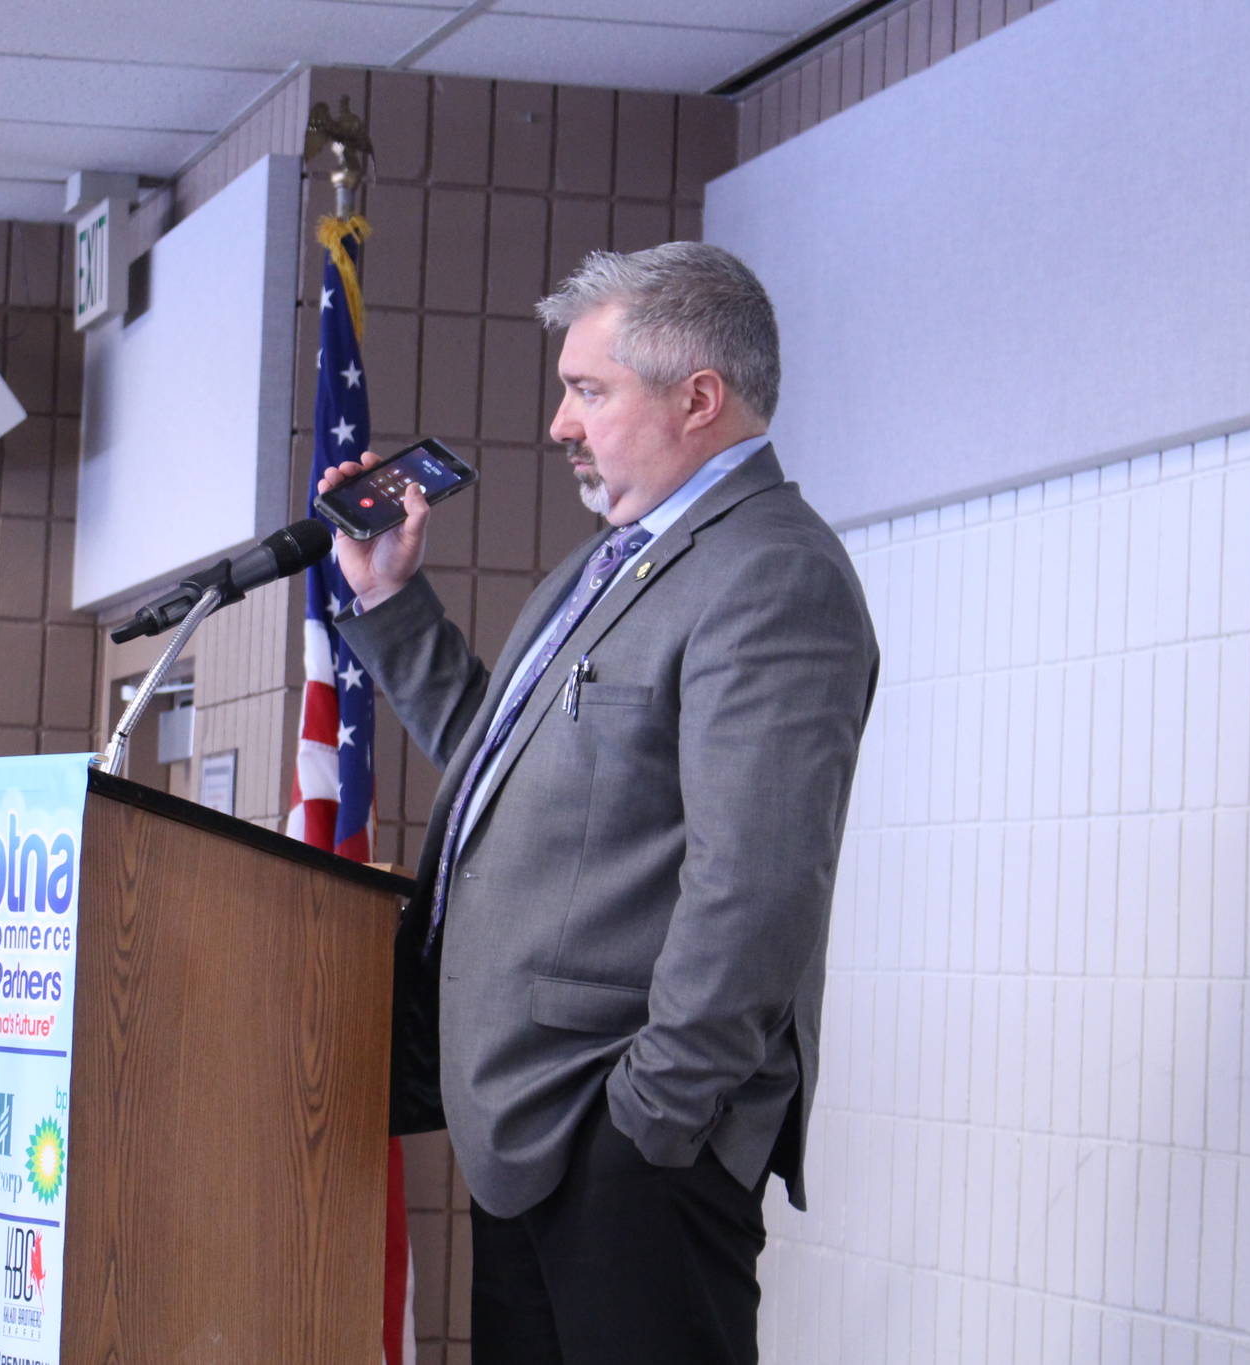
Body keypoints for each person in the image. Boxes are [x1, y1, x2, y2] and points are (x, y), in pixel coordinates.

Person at [321, 242, 880, 1364]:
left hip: (625, 1140)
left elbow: (757, 885)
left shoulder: (770, 575)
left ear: (698, 398)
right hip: (531, 1126)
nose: (558, 425)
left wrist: (652, 1119)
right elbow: (502, 764)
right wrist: (387, 600)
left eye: (587, 390)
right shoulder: (606, 569)